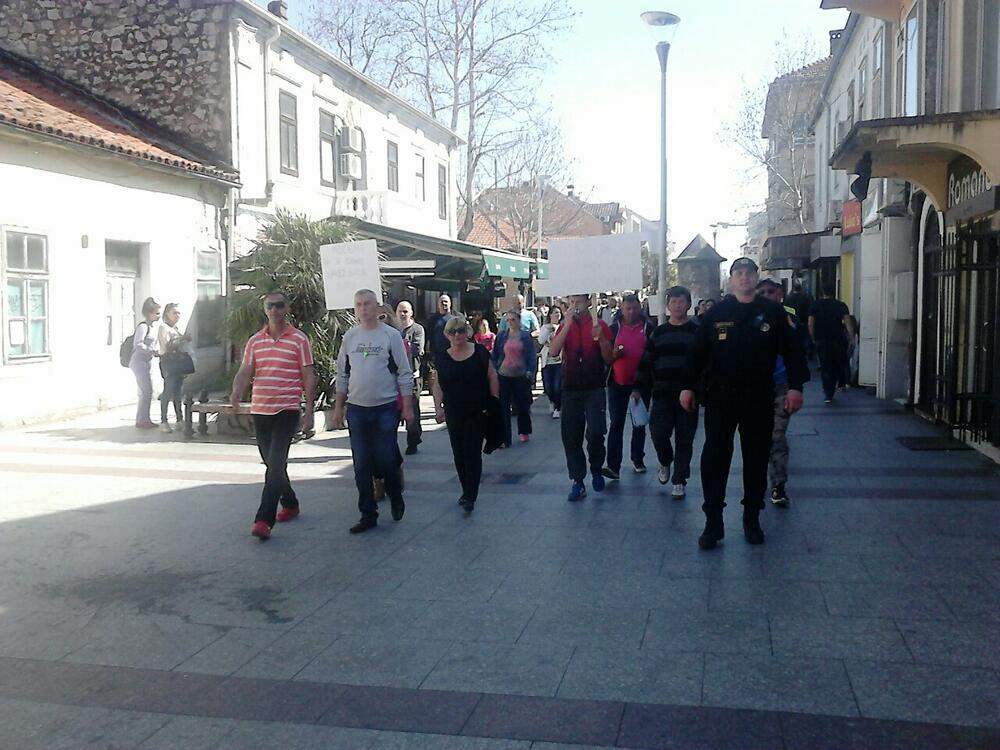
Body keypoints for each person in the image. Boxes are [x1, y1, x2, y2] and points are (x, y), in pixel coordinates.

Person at [681, 258, 807, 549]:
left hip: (759, 397)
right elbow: (697, 353)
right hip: (721, 397)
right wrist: (687, 386)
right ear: (732, 278)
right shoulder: (717, 313)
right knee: (715, 459)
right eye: (739, 273)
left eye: (749, 273)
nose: (744, 278)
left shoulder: (773, 313)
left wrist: (796, 388)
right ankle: (713, 522)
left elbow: (793, 352)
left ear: (756, 277)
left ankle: (752, 518)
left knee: (755, 458)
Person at [230, 290, 315, 540]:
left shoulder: (299, 340)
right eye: (270, 306)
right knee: (272, 464)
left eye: (279, 306)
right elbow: (246, 369)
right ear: (265, 310)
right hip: (261, 409)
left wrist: (309, 410)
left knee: (275, 464)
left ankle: (263, 520)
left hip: (287, 409)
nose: (275, 310)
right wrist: (237, 390)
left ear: (287, 309)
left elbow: (308, 374)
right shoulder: (255, 341)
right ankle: (290, 503)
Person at [332, 289, 415, 534]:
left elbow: (404, 372)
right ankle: (368, 513)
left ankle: (395, 494)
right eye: (359, 304)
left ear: (378, 308)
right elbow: (342, 374)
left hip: (385, 408)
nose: (364, 308)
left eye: (368, 304)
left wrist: (408, 407)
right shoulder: (350, 337)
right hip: (357, 409)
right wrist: (338, 408)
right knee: (361, 465)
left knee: (387, 458)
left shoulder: (390, 336)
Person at [548, 294, 614, 501]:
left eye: (580, 301)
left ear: (588, 302)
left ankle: (595, 467)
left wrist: (601, 337)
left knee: (596, 432)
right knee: (571, 436)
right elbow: (553, 351)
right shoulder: (565, 324)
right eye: (572, 301)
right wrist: (566, 325)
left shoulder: (599, 323)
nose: (576, 305)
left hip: (594, 387)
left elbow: (609, 358)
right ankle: (577, 480)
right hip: (571, 388)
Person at [432, 315, 500, 512]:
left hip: (477, 410)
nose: (457, 335)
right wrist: (438, 408)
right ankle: (465, 489)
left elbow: (492, 375)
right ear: (447, 335)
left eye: (461, 330)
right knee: (458, 453)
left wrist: (494, 400)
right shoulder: (443, 357)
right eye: (453, 331)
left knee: (472, 452)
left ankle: (471, 494)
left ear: (467, 332)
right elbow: (438, 384)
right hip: (454, 411)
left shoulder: (479, 352)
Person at [637, 286, 700, 498]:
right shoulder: (659, 333)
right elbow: (646, 362)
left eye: (681, 301)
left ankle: (679, 479)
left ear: (688, 305)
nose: (677, 305)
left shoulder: (696, 333)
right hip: (662, 393)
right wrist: (638, 387)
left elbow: (705, 363)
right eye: (673, 302)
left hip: (688, 395)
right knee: (658, 434)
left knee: (685, 439)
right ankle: (665, 460)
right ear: (667, 305)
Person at [756, 278, 809, 508]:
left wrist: (796, 387)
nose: (767, 295)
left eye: (771, 291)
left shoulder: (788, 318)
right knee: (756, 439)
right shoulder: (750, 317)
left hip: (781, 385)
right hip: (755, 388)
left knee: (776, 437)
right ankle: (756, 484)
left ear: (780, 294)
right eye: (763, 292)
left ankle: (778, 484)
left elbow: (798, 352)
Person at [603, 294, 654, 479]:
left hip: (641, 385)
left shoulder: (648, 328)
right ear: (622, 309)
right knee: (616, 423)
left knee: (638, 423)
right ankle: (613, 465)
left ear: (639, 307)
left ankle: (637, 458)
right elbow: (606, 355)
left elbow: (652, 355)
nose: (631, 312)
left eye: (634, 308)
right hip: (617, 383)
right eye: (627, 308)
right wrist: (613, 354)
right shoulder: (614, 328)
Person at [493, 309, 537, 446]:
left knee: (522, 406)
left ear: (518, 321)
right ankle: (504, 438)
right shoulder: (502, 336)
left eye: (513, 320)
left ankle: (524, 430)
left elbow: (531, 355)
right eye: (508, 320)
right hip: (504, 374)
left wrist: (530, 371)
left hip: (520, 375)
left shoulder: (525, 336)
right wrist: (494, 370)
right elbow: (495, 354)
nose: (510, 322)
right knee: (503, 407)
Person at [809, 284, 855, 404]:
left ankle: (827, 393)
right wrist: (852, 337)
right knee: (836, 364)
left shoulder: (815, 305)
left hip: (821, 340)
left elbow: (811, 323)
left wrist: (813, 338)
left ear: (822, 292)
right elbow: (848, 322)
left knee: (825, 366)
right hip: (837, 339)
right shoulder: (841, 305)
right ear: (834, 292)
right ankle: (835, 386)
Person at [157, 303, 194, 434]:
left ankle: (179, 419)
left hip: (178, 362)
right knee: (168, 391)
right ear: (167, 314)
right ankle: (163, 421)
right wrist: (182, 339)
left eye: (178, 313)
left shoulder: (176, 328)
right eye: (174, 313)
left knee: (178, 392)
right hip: (169, 362)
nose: (177, 316)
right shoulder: (164, 328)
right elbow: (166, 346)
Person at [396, 300, 425, 455]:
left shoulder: (418, 329)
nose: (402, 314)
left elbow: (417, 349)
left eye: (405, 311)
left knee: (412, 408)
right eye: (400, 311)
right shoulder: (393, 331)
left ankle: (413, 440)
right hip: (395, 378)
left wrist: (399, 346)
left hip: (413, 376)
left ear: (411, 313)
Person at [129, 297, 161, 429]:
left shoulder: (152, 327)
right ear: (149, 313)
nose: (158, 315)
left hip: (146, 361)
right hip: (139, 361)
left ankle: (144, 418)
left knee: (146, 390)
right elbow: (138, 344)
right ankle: (142, 419)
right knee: (146, 390)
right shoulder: (143, 327)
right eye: (157, 313)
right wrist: (151, 351)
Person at [538, 307, 564, 418]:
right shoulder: (545, 327)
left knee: (557, 386)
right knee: (548, 386)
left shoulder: (563, 327)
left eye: (558, 313)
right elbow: (541, 340)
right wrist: (549, 329)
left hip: (559, 361)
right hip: (547, 361)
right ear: (550, 315)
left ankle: (558, 408)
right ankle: (552, 401)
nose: (557, 315)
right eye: (555, 313)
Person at [430, 294, 457, 367]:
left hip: (452, 355)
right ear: (438, 304)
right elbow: (429, 335)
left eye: (446, 301)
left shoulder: (455, 320)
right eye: (441, 302)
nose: (444, 303)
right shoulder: (433, 319)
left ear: (450, 304)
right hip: (437, 355)